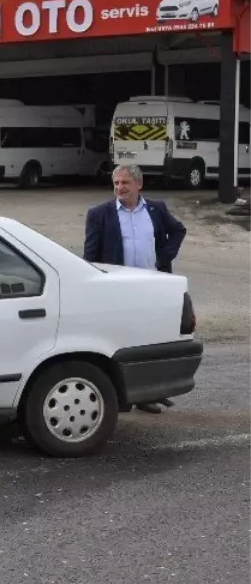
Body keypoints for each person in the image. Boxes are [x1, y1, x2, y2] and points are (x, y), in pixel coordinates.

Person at [84, 163, 188, 414]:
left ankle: (147, 394)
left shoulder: (156, 209)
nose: (120, 187)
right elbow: (90, 256)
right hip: (120, 290)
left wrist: (164, 257)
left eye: (125, 183)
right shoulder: (99, 214)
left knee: (152, 340)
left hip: (153, 286)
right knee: (121, 341)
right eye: (117, 183)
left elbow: (178, 230)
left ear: (139, 185)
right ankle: (120, 395)